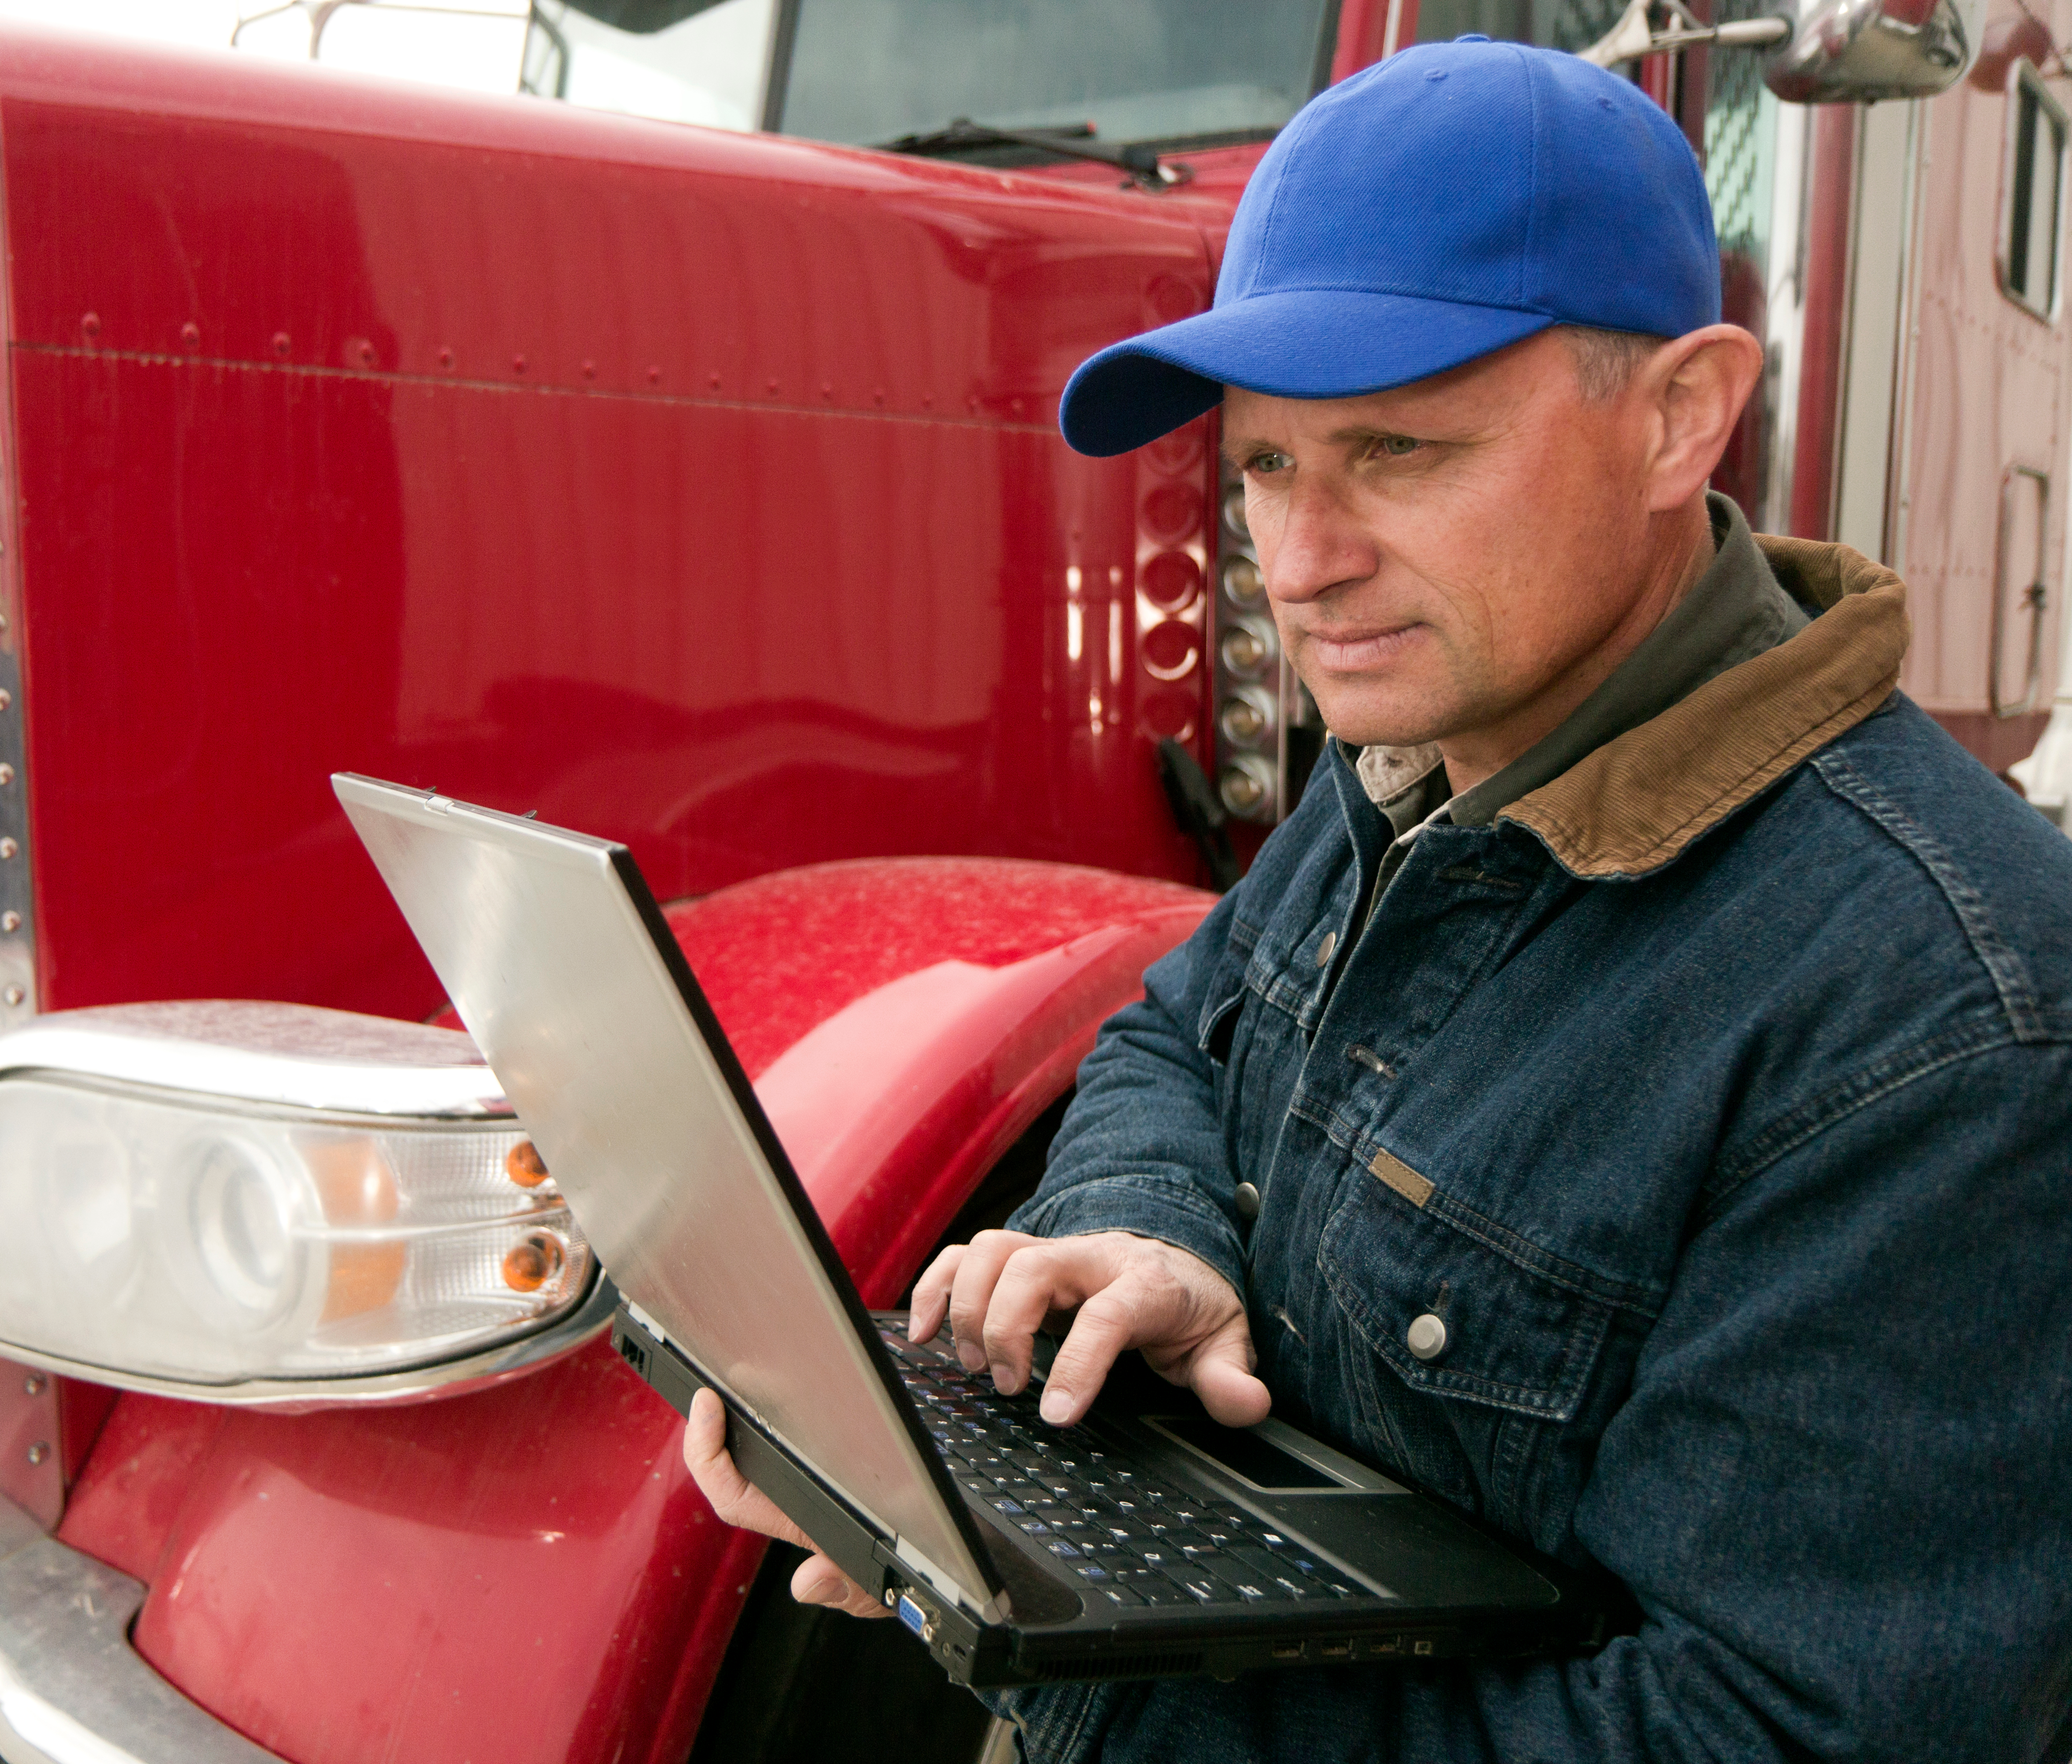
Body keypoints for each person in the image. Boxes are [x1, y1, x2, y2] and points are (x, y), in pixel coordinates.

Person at [681, 35, 2072, 1763]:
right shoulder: (1446, 745)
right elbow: (1175, 1028)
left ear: (1680, 417)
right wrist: (1149, 1230)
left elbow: (1770, 1736)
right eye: (1265, 466)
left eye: (1398, 450)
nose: (1303, 561)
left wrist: (1075, 1659)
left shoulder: (1942, 1021)